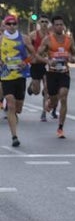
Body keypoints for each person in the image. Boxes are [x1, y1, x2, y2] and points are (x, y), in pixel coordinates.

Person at [41, 15, 75, 139]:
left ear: (63, 26)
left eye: (61, 24)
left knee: (64, 96)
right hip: (51, 73)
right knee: (54, 100)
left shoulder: (69, 40)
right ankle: (49, 102)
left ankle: (60, 127)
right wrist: (48, 61)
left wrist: (72, 59)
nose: (59, 27)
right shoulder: (47, 40)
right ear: (53, 26)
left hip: (64, 73)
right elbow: (38, 55)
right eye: (57, 24)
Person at [1, 14, 34, 147]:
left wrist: (25, 62)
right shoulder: (1, 39)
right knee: (10, 102)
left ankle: (14, 115)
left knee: (18, 108)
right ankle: (14, 136)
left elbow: (33, 54)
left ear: (17, 25)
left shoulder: (24, 38)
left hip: (20, 75)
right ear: (4, 25)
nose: (11, 26)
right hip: (6, 75)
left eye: (14, 24)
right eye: (9, 24)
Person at [28, 17, 50, 121]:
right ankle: (31, 87)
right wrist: (30, 58)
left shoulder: (51, 36)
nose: (44, 24)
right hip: (36, 64)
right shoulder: (33, 35)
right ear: (38, 23)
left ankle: (44, 113)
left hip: (46, 64)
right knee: (37, 91)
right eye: (42, 22)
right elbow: (26, 47)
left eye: (46, 22)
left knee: (46, 88)